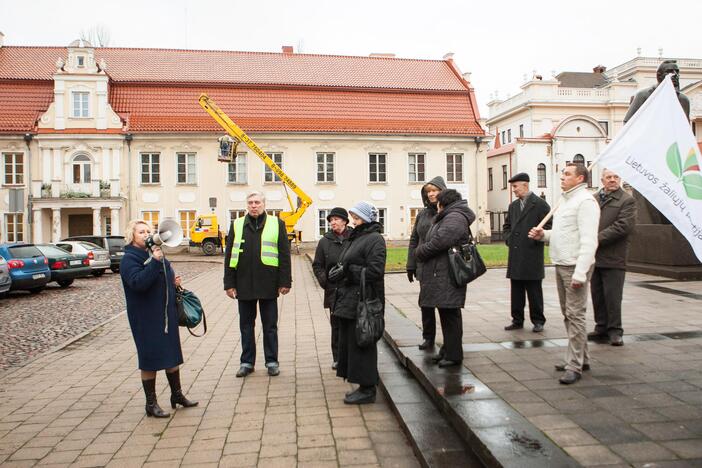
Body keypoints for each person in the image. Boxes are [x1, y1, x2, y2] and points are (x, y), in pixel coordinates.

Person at [529, 164, 600, 385]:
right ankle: (582, 357)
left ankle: (574, 365)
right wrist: (544, 235)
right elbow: (564, 234)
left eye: (567, 174)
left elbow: (589, 240)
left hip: (574, 266)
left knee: (575, 315)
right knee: (569, 314)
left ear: (580, 178)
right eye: (562, 174)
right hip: (561, 263)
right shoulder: (566, 200)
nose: (562, 177)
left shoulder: (586, 202)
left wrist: (580, 273)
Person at [121, 219, 198, 418]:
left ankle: (177, 395)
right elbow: (138, 283)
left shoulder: (154, 253)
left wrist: (173, 280)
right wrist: (155, 262)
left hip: (165, 314)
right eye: (141, 232)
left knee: (172, 355)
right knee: (150, 359)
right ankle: (151, 403)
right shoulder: (129, 259)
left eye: (148, 230)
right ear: (132, 236)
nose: (146, 234)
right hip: (146, 317)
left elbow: (163, 275)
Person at [224, 191, 292, 378]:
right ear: (246, 205)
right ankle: (247, 362)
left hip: (268, 283)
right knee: (246, 325)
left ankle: (272, 361)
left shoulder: (276, 224)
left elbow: (284, 255)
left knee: (270, 325)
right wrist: (228, 284)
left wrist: (285, 281)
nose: (254, 206)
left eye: (257, 202)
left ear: (264, 204)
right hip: (243, 283)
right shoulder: (237, 225)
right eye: (251, 202)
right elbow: (229, 255)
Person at [328, 201, 386, 404]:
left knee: (362, 344)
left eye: (357, 217)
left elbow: (375, 271)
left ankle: (368, 388)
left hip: (363, 299)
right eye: (353, 216)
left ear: (367, 218)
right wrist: (339, 270)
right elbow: (347, 262)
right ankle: (361, 384)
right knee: (352, 343)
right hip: (348, 298)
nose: (353, 220)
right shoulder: (358, 237)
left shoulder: (375, 239)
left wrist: (348, 270)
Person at [414, 189, 475, 368]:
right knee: (446, 312)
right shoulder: (450, 215)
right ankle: (447, 350)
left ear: (443, 203)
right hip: (442, 272)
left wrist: (420, 252)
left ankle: (454, 354)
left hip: (449, 274)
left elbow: (440, 241)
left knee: (450, 314)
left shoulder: (454, 217)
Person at [589, 169, 636, 346]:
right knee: (597, 294)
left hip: (614, 256)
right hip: (594, 256)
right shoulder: (593, 198)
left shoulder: (627, 200)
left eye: (616, 177)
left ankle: (615, 331)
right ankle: (601, 327)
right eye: (609, 177)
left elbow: (623, 226)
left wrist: (595, 238)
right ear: (602, 180)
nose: (612, 180)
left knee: (613, 296)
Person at [503, 172, 552, 333]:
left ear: (525, 185)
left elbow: (550, 227)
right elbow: (507, 226)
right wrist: (509, 239)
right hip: (516, 255)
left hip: (531, 254)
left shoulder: (540, 205)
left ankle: (538, 320)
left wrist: (540, 236)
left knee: (534, 291)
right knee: (516, 291)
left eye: (516, 186)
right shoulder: (513, 206)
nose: (514, 190)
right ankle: (517, 320)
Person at [407, 176, 447, 349]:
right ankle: (428, 337)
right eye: (428, 191)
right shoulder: (422, 214)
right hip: (424, 265)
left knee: (445, 305)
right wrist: (411, 264)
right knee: (426, 303)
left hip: (441, 265)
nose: (431, 194)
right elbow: (414, 239)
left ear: (442, 191)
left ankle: (449, 342)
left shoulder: (446, 212)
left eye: (434, 190)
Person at [312, 207, 352, 369]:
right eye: (331, 220)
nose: (332, 222)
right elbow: (317, 265)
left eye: (336, 219)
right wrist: (325, 281)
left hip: (350, 288)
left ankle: (351, 356)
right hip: (333, 290)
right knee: (336, 326)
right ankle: (338, 358)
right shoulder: (324, 241)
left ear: (344, 221)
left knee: (350, 325)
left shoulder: (354, 238)